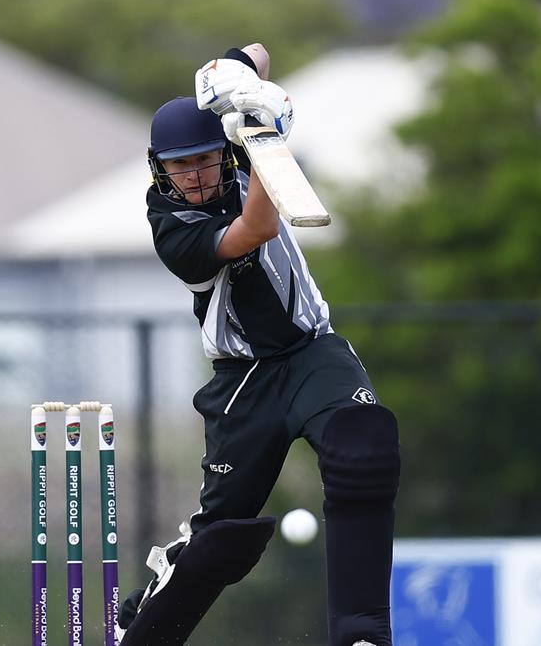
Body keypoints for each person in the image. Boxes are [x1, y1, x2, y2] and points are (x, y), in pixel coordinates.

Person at [116, 43, 400, 646]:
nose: (194, 178)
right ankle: (143, 627)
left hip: (311, 351)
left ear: (222, 151)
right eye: (178, 167)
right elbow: (258, 227)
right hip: (245, 381)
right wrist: (265, 136)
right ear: (158, 169)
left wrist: (239, 81)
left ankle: (362, 633)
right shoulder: (172, 228)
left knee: (365, 448)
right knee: (220, 544)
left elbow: (258, 54)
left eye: (204, 161)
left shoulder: (234, 150)